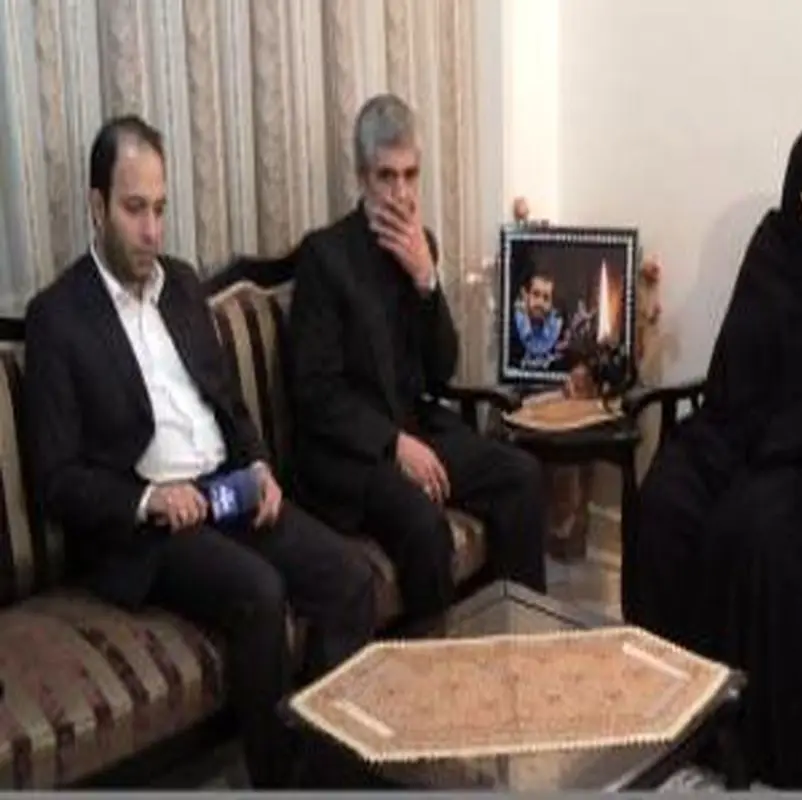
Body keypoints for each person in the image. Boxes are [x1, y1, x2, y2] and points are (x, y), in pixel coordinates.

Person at [22, 115, 377, 789]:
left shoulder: (182, 286)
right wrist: (149, 499)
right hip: (153, 530)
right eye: (134, 209)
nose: (152, 230)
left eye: (160, 209)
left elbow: (230, 404)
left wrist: (259, 464)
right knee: (260, 592)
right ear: (97, 206)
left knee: (349, 578)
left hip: (228, 492)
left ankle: (327, 771)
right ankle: (280, 782)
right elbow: (57, 480)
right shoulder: (58, 318)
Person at [628, 124, 802, 789]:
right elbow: (735, 366)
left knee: (750, 531)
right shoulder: (773, 247)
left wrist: (792, 436)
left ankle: (745, 734)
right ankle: (664, 702)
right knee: (663, 501)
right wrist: (749, 431)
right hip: (741, 431)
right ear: (794, 196)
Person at [287, 93, 548, 621]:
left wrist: (427, 281)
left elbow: (442, 368)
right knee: (424, 523)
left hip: (414, 426)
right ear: (362, 177)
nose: (401, 193)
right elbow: (316, 393)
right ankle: (436, 661)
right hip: (352, 455)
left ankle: (518, 637)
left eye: (410, 175)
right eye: (386, 176)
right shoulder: (325, 256)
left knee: (521, 475)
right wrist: (394, 444)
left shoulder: (420, 243)